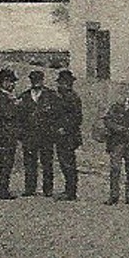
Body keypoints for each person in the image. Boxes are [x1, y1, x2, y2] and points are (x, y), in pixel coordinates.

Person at [18, 69, 58, 198]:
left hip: (46, 135)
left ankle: (48, 189)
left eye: (38, 80)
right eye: (34, 80)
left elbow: (56, 115)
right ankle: (30, 188)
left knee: (47, 162)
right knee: (30, 162)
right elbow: (20, 116)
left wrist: (52, 129)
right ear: (31, 81)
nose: (36, 83)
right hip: (29, 135)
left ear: (42, 80)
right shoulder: (24, 96)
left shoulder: (51, 95)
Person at [0, 69, 21, 199]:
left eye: (13, 82)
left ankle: (4, 189)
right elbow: (8, 114)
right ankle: (2, 191)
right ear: (3, 82)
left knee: (7, 164)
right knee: (5, 164)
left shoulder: (6, 97)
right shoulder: (0, 98)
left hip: (8, 136)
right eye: (10, 82)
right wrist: (16, 105)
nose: (12, 85)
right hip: (3, 137)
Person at [51, 69, 82, 200]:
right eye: (59, 83)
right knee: (65, 163)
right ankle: (69, 190)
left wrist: (65, 128)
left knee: (68, 163)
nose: (59, 86)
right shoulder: (61, 97)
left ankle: (71, 192)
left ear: (67, 84)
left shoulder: (72, 98)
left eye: (62, 83)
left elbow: (77, 118)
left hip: (69, 136)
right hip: (61, 135)